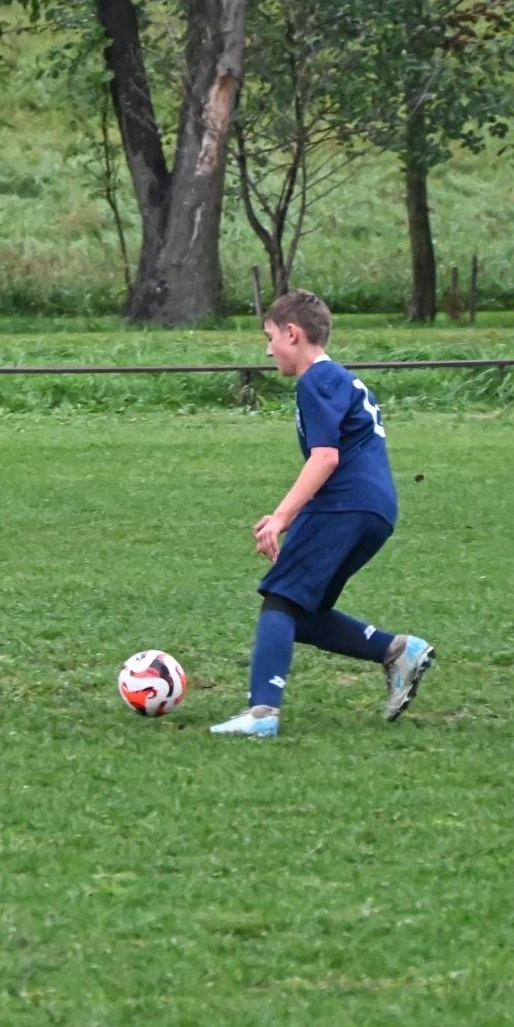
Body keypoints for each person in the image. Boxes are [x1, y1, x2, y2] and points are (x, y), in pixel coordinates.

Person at [211, 290, 435, 738]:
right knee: (302, 613)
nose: (268, 350)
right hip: (373, 509)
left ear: (292, 333)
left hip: (345, 503)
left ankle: (262, 714)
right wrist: (295, 515)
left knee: (281, 599)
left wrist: (281, 516)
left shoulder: (316, 379)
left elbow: (326, 457)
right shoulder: (342, 379)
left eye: (270, 337)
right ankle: (396, 651)